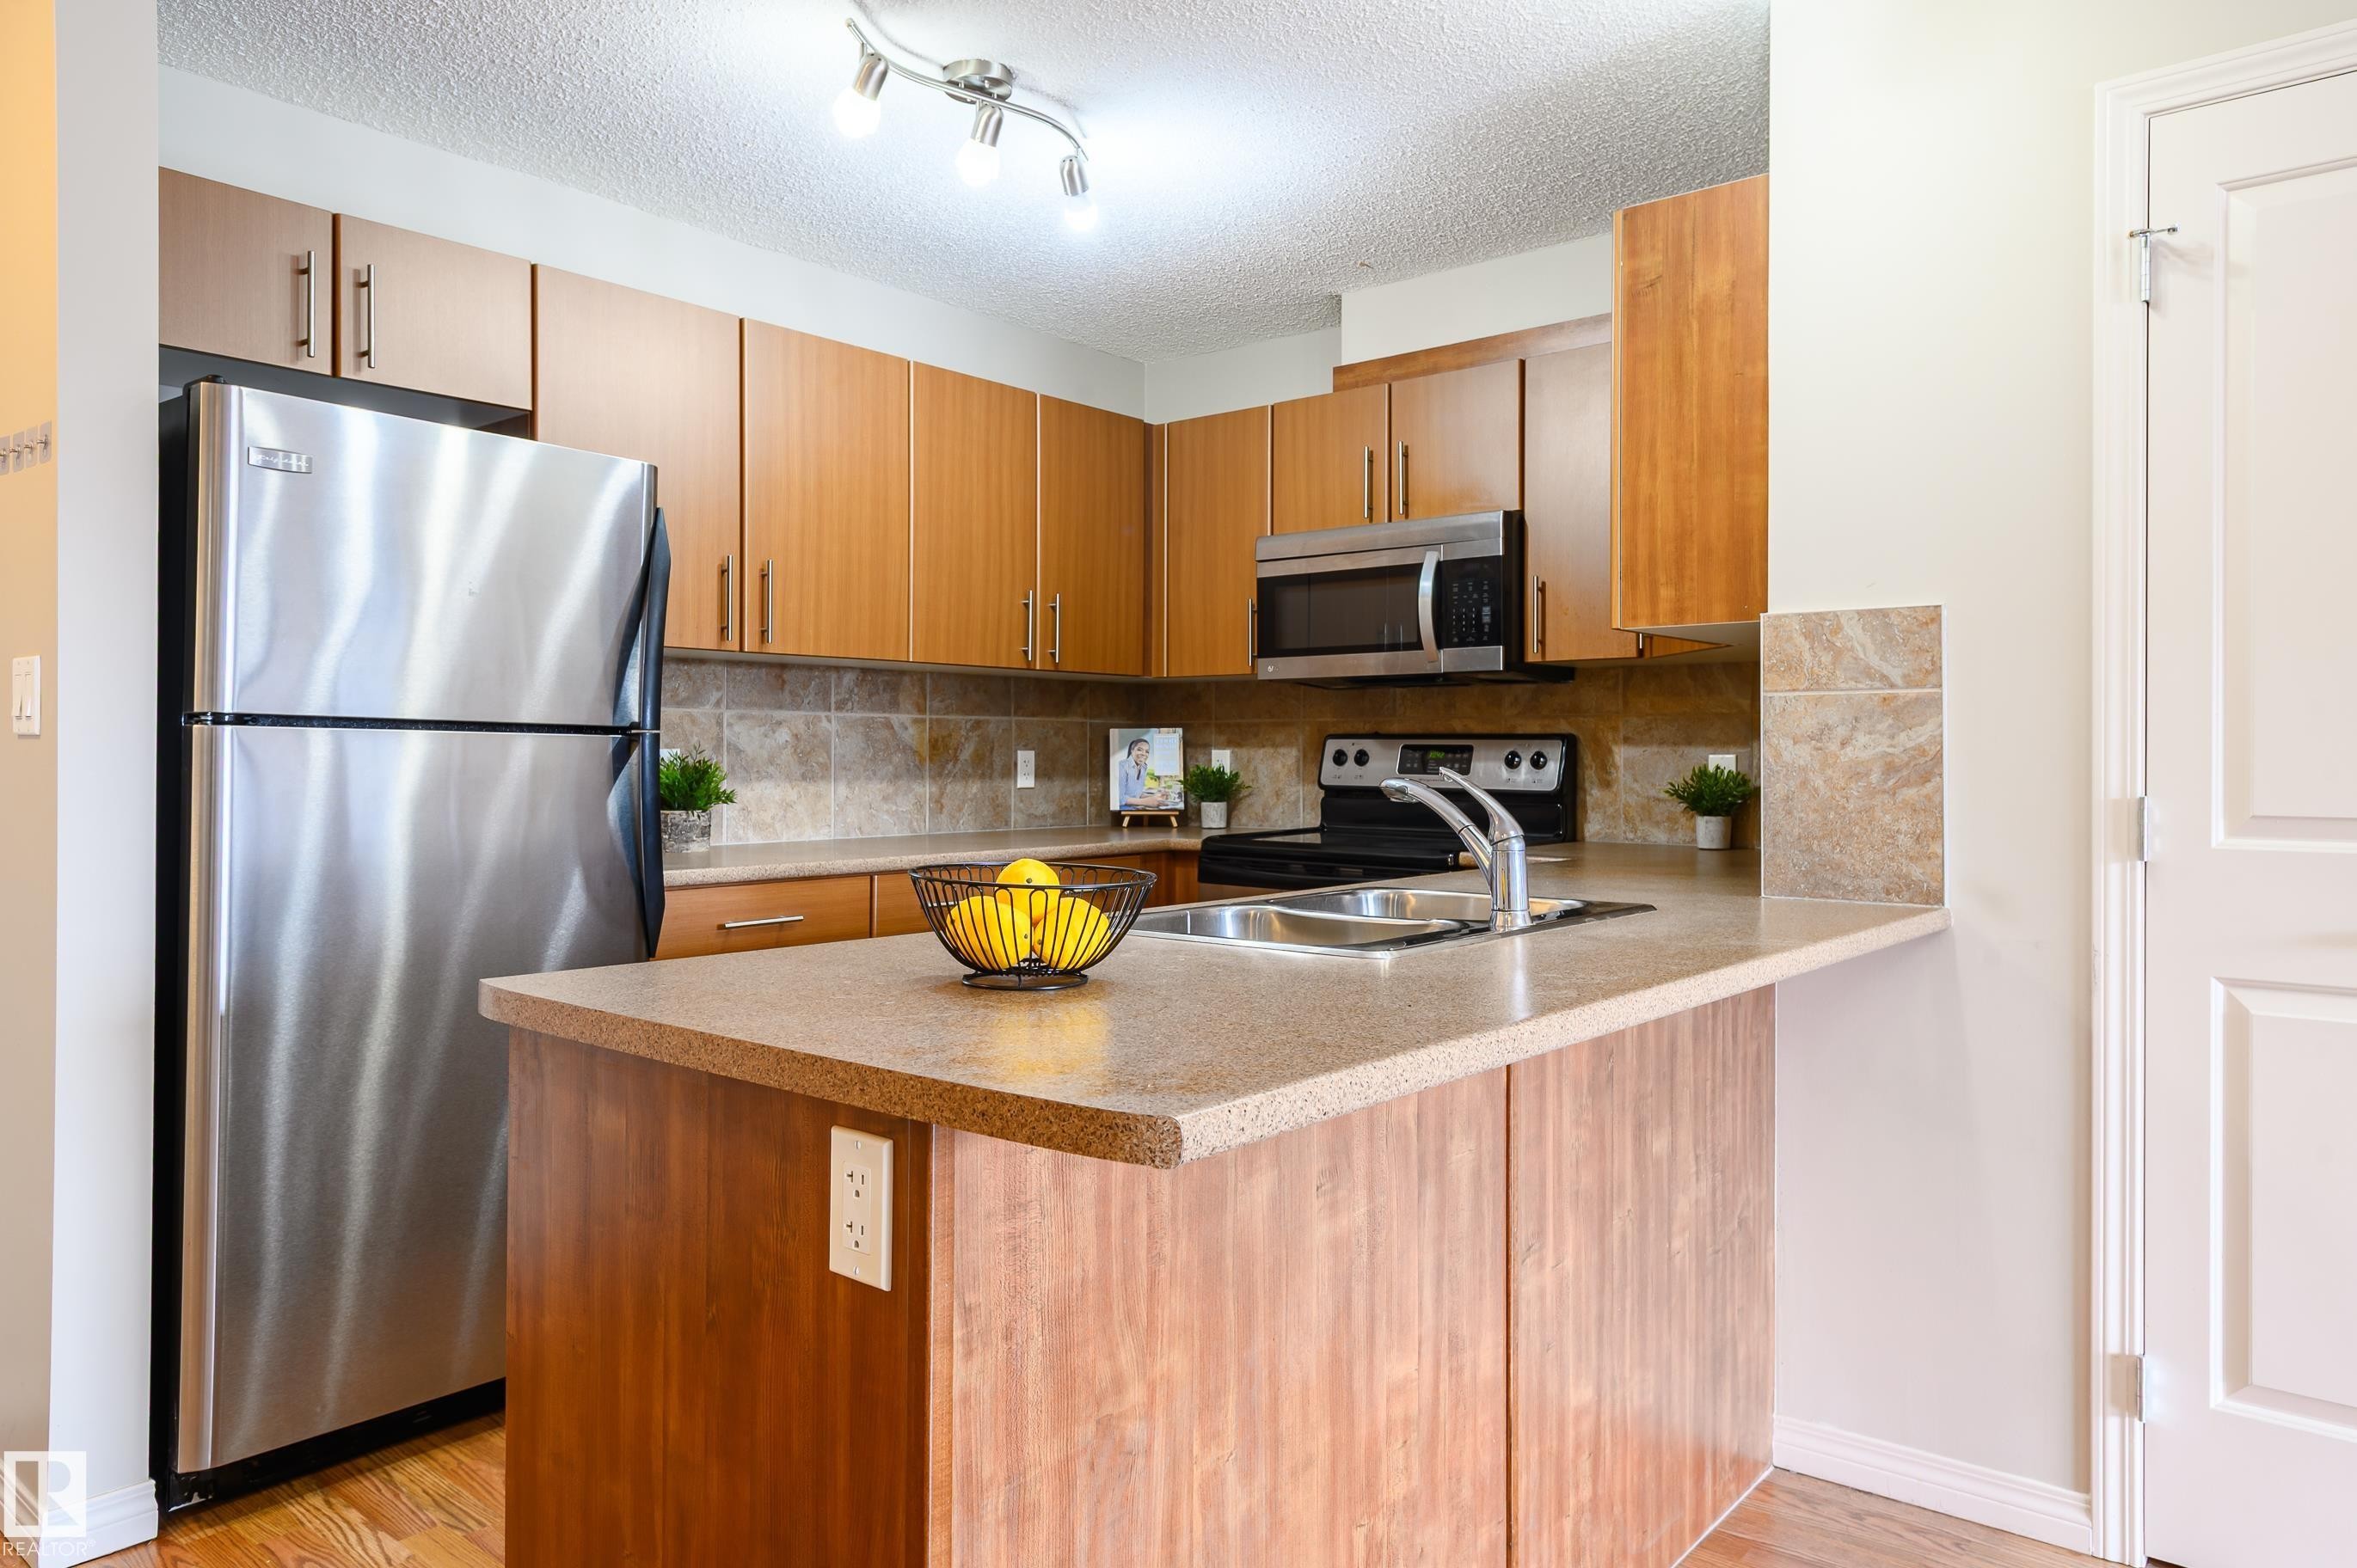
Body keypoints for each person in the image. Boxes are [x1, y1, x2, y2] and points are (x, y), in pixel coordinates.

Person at [1117, 736, 1154, 807]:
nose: (1144, 754)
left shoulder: (1143, 767)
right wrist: (1146, 802)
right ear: (1132, 750)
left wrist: (1156, 797)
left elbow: (1137, 794)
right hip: (1123, 807)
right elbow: (1120, 798)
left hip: (1135, 806)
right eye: (1140, 750)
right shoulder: (1122, 766)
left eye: (1147, 751)